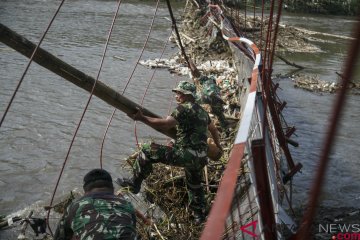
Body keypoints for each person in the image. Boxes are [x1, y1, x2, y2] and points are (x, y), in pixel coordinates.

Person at [116, 81, 222, 223]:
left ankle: (134, 183)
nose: (176, 96)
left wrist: (142, 118)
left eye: (178, 93)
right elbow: (213, 130)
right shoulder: (202, 112)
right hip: (201, 158)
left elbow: (166, 123)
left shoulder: (183, 109)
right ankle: (199, 216)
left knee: (147, 150)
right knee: (194, 185)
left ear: (186, 95)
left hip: (186, 155)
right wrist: (219, 146)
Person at [54, 169, 137, 240]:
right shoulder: (127, 204)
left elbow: (60, 236)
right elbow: (131, 229)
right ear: (112, 188)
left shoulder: (76, 206)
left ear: (85, 191)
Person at [189, 62, 228, 130]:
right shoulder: (210, 82)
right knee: (220, 115)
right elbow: (195, 72)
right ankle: (225, 129)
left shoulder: (206, 82)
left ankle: (225, 129)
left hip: (211, 100)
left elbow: (195, 71)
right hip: (214, 101)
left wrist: (189, 62)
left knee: (218, 115)